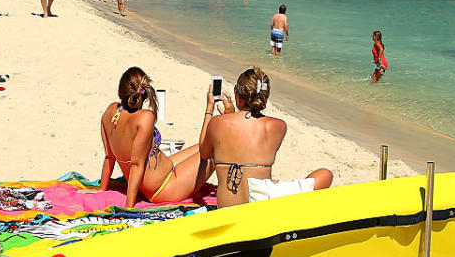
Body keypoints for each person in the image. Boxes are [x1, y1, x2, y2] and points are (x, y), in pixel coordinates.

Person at [196, 67, 332, 208]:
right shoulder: (278, 126)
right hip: (261, 209)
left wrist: (210, 109)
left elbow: (204, 153)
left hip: (227, 212)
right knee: (324, 174)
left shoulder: (218, 123)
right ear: (265, 97)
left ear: (237, 94)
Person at [98, 67, 215, 207]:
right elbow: (136, 165)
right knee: (217, 147)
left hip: (164, 171)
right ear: (145, 95)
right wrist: (129, 207)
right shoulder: (145, 117)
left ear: (119, 92)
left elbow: (109, 157)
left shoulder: (111, 112)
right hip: (164, 187)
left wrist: (101, 189)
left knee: (202, 146)